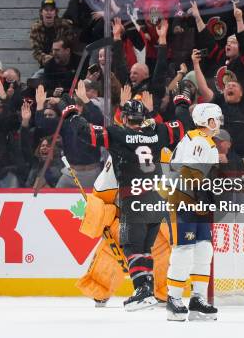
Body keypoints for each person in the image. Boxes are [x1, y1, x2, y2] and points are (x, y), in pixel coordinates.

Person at [62, 94, 177, 311]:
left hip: (131, 205)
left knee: (122, 248)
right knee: (158, 252)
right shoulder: (159, 140)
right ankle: (161, 292)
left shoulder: (120, 143)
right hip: (157, 208)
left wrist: (70, 112)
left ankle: (115, 290)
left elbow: (103, 189)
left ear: (124, 119)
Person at [165, 103, 222, 321]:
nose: (218, 122)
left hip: (196, 201)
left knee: (204, 248)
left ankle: (197, 298)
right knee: (184, 249)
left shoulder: (202, 140)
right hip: (185, 201)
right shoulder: (199, 141)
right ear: (208, 121)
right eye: (216, 118)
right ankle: (173, 299)